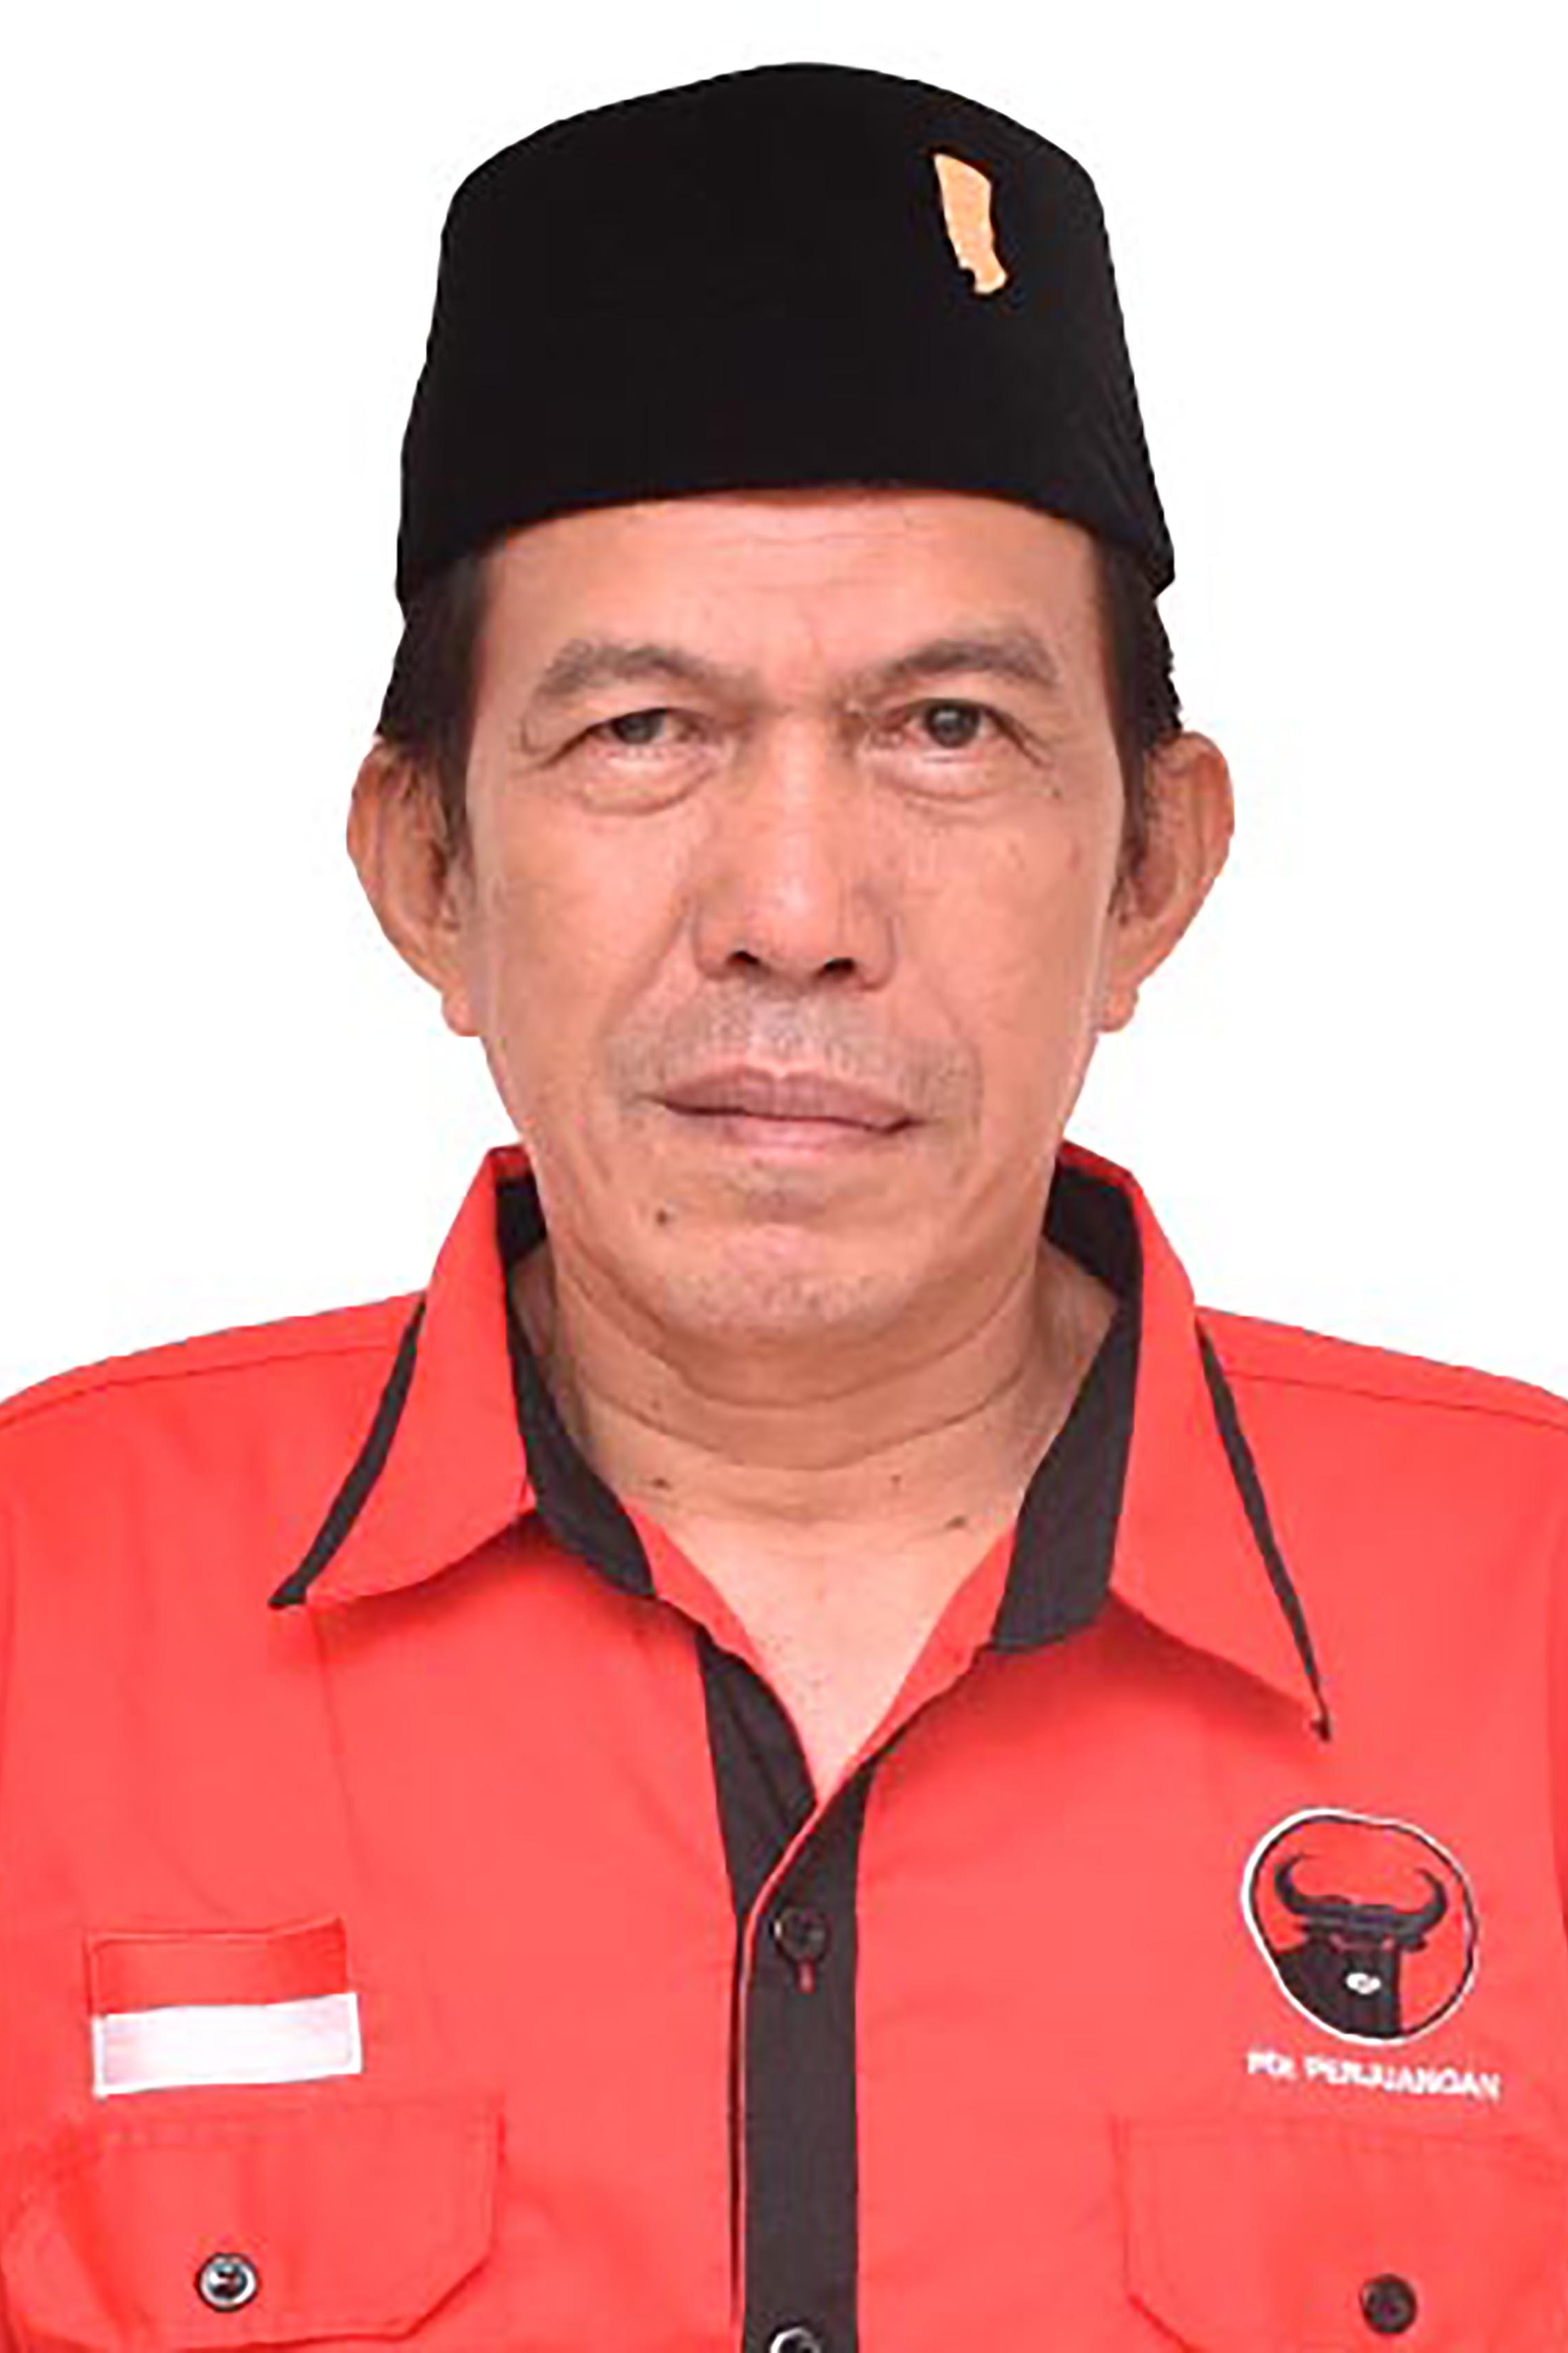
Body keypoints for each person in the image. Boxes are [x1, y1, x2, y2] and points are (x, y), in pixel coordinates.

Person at [1, 57, 1565, 2353]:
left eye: (948, 729)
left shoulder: (1536, 1620)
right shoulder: (41, 1615)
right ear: (426, 870)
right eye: (640, 731)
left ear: (1153, 868)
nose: (797, 914)